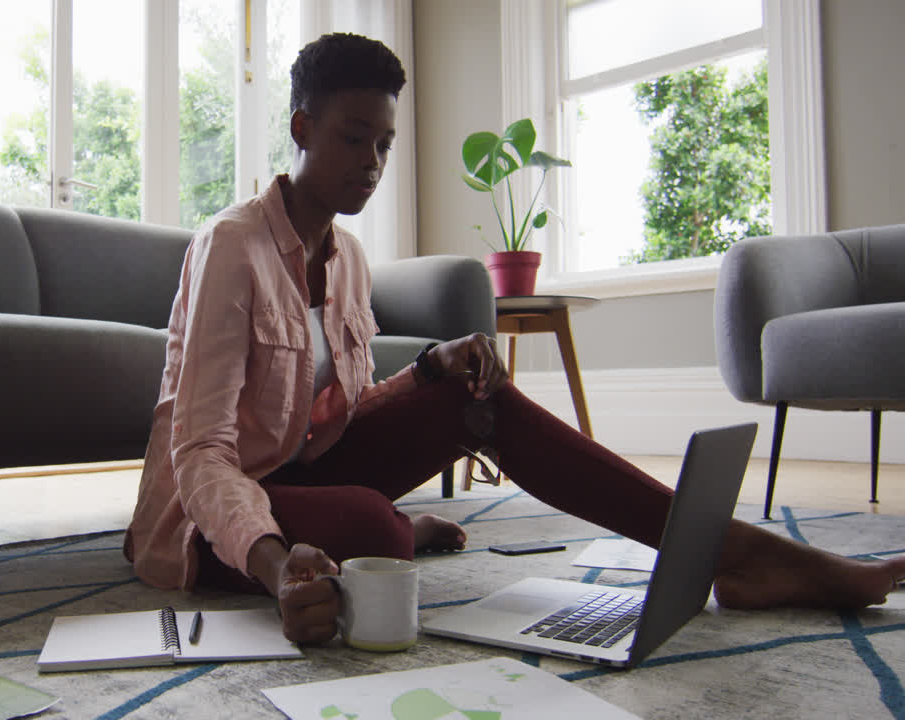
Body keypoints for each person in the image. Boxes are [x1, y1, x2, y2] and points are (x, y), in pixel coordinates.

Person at [123, 32, 905, 645]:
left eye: (386, 144)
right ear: (303, 127)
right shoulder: (232, 246)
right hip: (205, 521)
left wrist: (429, 370)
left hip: (303, 472)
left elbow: (337, 420)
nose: (373, 163)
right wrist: (270, 564)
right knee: (368, 528)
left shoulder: (350, 258)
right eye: (355, 138)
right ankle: (380, 529)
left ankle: (729, 552)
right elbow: (201, 454)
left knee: (475, 392)